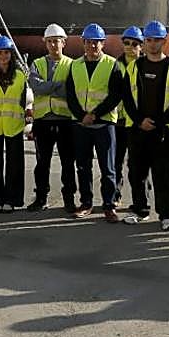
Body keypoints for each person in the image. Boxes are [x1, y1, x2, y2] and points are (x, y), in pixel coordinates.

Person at [120, 21, 169, 230]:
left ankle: (166, 214)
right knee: (136, 172)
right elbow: (127, 98)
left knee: (163, 174)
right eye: (148, 40)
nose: (152, 44)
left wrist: (157, 122)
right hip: (137, 129)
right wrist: (140, 120)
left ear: (164, 40)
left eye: (156, 40)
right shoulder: (134, 67)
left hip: (163, 131)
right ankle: (140, 209)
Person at [66, 23, 124, 222]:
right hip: (81, 124)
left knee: (107, 167)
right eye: (89, 42)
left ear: (102, 44)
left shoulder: (112, 64)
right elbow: (71, 94)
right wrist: (82, 115)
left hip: (104, 124)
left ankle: (109, 205)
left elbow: (116, 95)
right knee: (82, 166)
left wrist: (95, 114)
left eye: (96, 43)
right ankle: (86, 203)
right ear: (83, 43)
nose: (92, 46)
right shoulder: (75, 65)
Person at [27, 23, 77, 213]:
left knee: (67, 162)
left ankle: (69, 198)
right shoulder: (37, 63)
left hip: (64, 121)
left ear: (64, 42)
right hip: (43, 122)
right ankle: (41, 198)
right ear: (45, 43)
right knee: (42, 163)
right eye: (50, 42)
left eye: (56, 41)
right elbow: (36, 87)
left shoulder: (72, 64)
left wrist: (49, 85)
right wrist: (58, 85)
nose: (53, 45)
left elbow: (70, 91)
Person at [0, 37, 29, 211]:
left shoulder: (19, 76)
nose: (3, 56)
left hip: (14, 125)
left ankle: (12, 199)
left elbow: (25, 100)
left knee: (14, 164)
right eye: (0, 53)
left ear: (12, 55)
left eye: (6, 53)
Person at [112, 26, 143, 206]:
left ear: (141, 46)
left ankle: (140, 200)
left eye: (134, 44)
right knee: (115, 162)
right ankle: (115, 196)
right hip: (118, 121)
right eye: (126, 43)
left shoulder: (145, 66)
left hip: (137, 122)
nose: (130, 47)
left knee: (137, 164)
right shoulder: (114, 66)